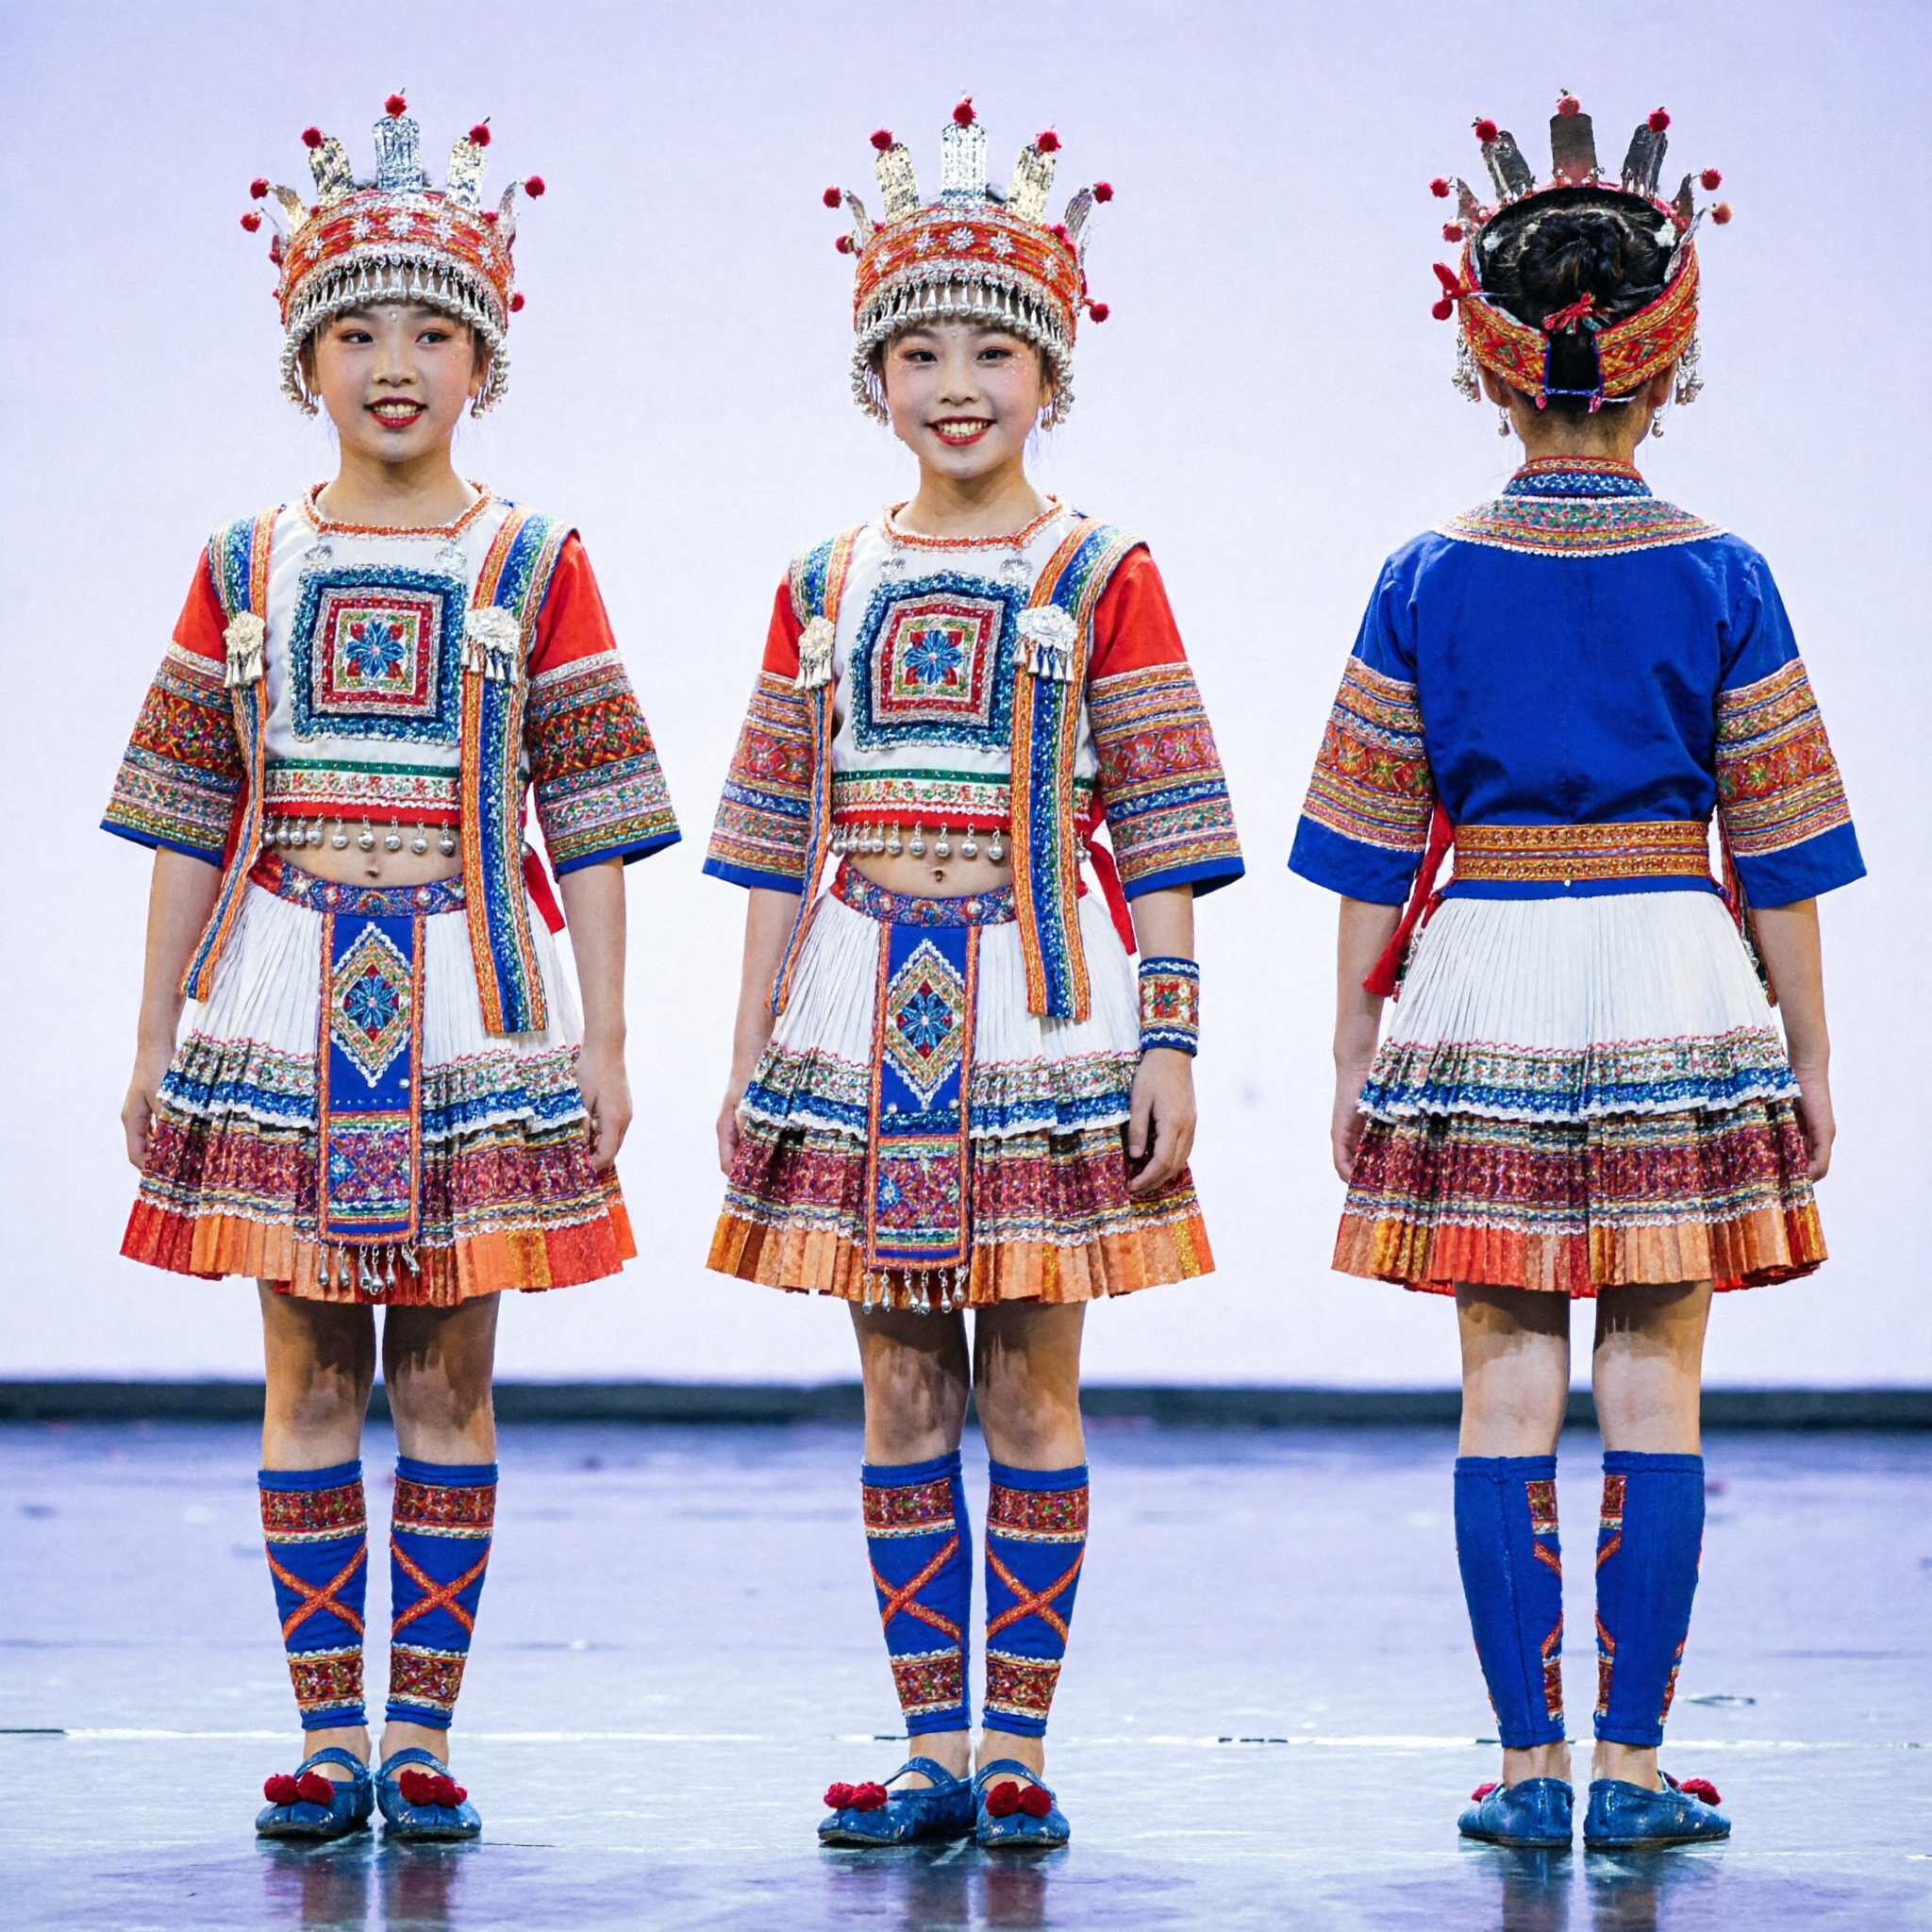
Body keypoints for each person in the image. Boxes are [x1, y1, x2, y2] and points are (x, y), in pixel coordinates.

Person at [1290, 96, 1862, 1852]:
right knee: (1656, 1383)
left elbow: (1373, 836)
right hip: (1677, 966)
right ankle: (1628, 1767)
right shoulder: (1724, 572)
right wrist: (1814, 1050)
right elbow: (1778, 838)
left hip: (1484, 972)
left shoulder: (1425, 573)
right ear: (1664, 369)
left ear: (1488, 364)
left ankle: (1531, 1772)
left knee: (1504, 1378)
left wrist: (1348, 1045)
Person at [105, 98, 678, 1843]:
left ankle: (419, 1732)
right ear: (306, 356)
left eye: (431, 329)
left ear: (483, 354)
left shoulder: (530, 557)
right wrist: (153, 1034)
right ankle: (323, 1729)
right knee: (305, 1372)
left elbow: (588, 813)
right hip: (281, 989)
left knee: (445, 1372)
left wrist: (607, 1032)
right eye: (358, 330)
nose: (395, 364)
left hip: (465, 997)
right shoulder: (245, 562)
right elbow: (191, 811)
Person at [705, 102, 1242, 1850]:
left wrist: (1171, 1038)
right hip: (863, 1001)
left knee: (1030, 1373)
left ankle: (1018, 1747)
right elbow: (780, 834)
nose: (958, 383)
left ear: (1050, 370)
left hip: (1040, 1003)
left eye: (993, 350)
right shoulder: (825, 578)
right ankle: (929, 1742)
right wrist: (747, 1044)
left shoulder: (1101, 572)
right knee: (896, 1376)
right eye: (921, 349)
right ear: (876, 373)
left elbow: (1159, 817)